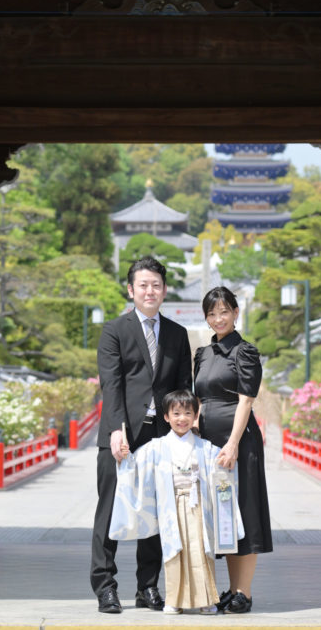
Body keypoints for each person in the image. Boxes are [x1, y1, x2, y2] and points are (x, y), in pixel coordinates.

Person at [90, 256, 192, 614]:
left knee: (156, 514)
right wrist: (117, 429)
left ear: (164, 291)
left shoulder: (179, 335)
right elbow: (111, 383)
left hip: (161, 435)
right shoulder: (114, 330)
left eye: (156, 285)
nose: (150, 291)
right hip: (121, 434)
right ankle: (105, 586)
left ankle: (147, 587)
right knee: (110, 511)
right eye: (143, 285)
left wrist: (184, 432)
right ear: (131, 290)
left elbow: (183, 390)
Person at [109, 389, 243, 615]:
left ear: (195, 416)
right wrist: (126, 457)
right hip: (172, 507)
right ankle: (175, 599)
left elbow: (221, 464)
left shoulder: (205, 447)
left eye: (187, 413)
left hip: (198, 505)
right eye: (176, 413)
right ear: (166, 417)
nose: (182, 419)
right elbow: (136, 467)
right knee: (174, 552)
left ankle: (206, 600)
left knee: (202, 550)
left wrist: (228, 459)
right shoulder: (156, 447)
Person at [194, 286, 273, 614]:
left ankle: (246, 592)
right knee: (223, 516)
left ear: (236, 312)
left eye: (223, 311)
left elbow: (246, 400)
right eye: (211, 314)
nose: (217, 319)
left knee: (245, 511)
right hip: (209, 442)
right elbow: (198, 400)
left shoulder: (245, 352)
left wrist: (233, 443)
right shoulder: (202, 354)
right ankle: (230, 589)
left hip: (238, 443)